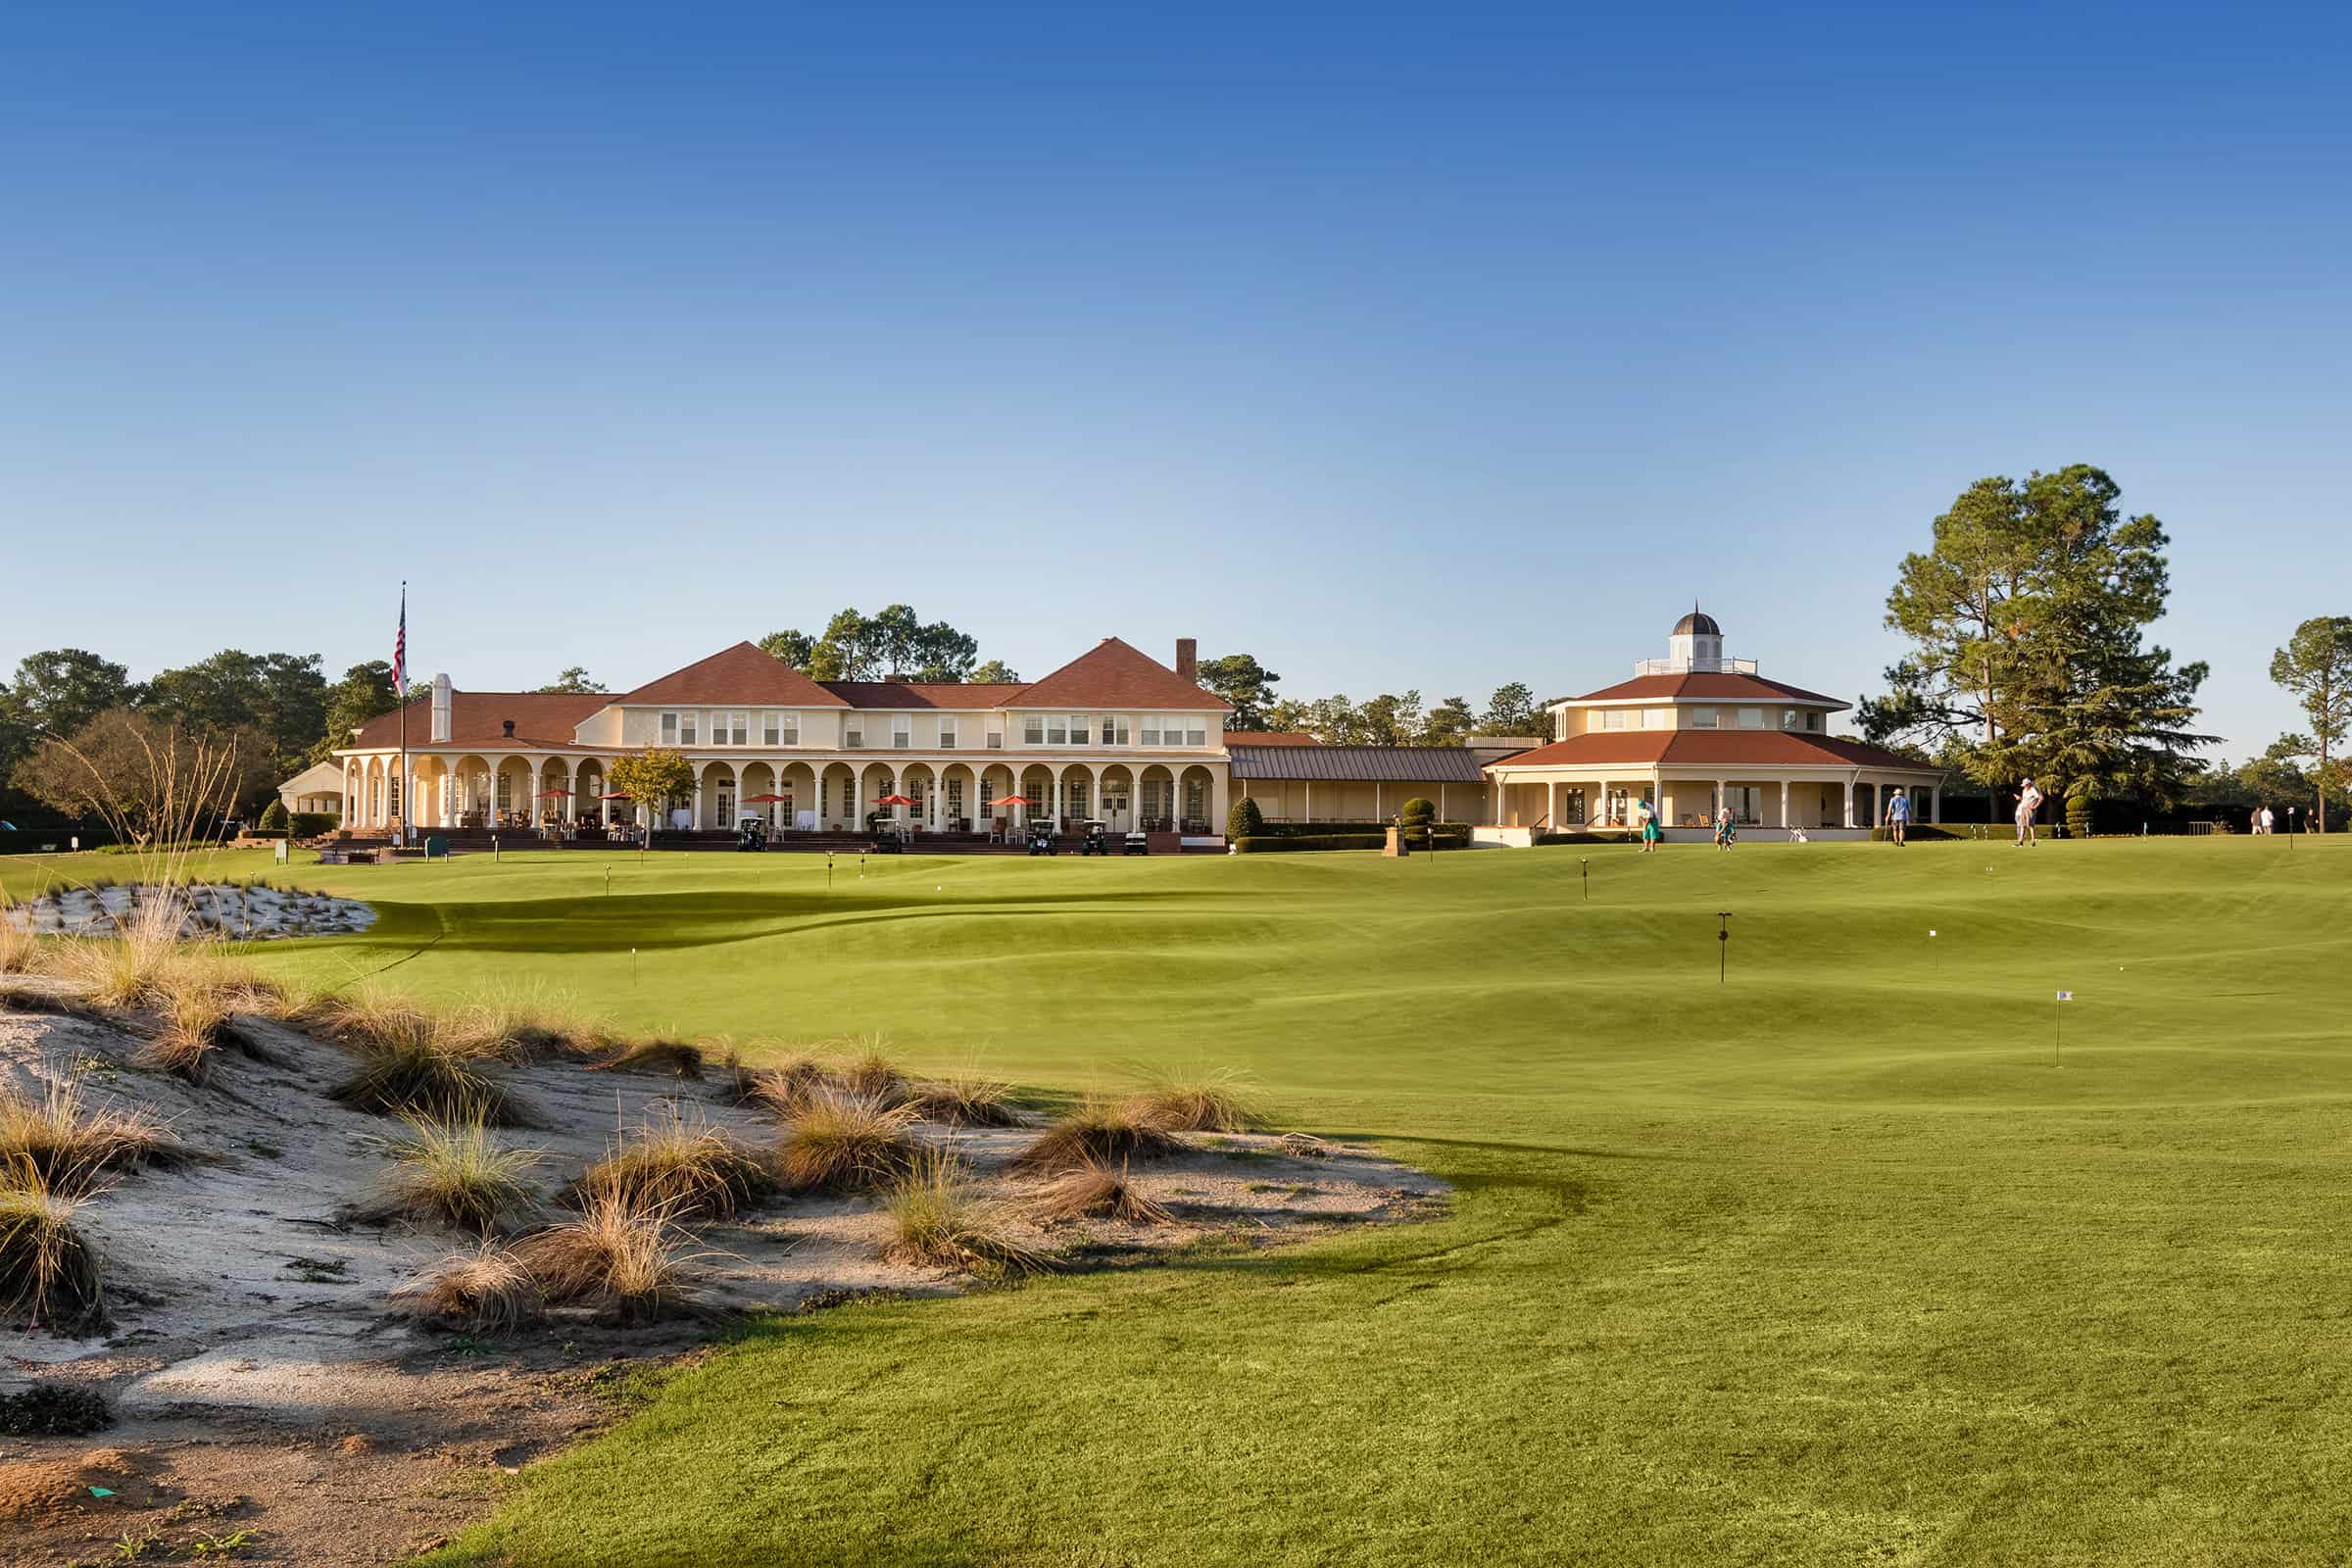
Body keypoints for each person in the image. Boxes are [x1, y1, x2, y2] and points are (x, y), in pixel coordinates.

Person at [2016, 778, 2043, 847]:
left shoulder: (2033, 789)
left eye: (2025, 785)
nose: (2024, 786)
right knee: (2023, 825)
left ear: (2028, 784)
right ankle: (2020, 842)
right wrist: (2020, 798)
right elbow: (2025, 799)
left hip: (2030, 809)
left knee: (2030, 825)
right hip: (2023, 808)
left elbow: (2041, 798)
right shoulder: (2024, 790)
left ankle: (2033, 842)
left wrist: (2035, 806)